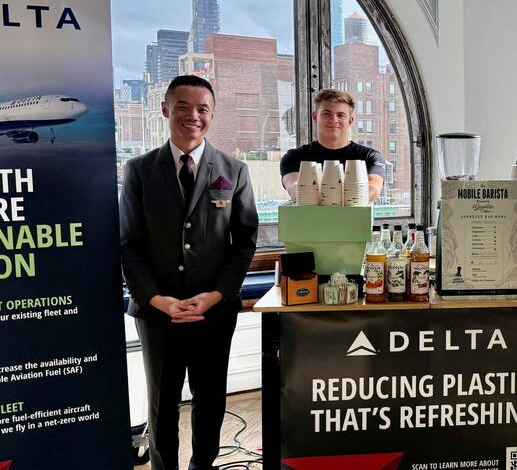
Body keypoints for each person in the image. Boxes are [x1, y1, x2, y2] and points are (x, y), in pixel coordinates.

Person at [120, 75, 259, 470]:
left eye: (203, 109)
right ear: (165, 109)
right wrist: (158, 300)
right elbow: (129, 244)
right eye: (183, 106)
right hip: (157, 312)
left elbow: (245, 241)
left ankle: (203, 466)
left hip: (214, 309)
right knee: (162, 402)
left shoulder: (234, 170)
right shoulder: (139, 171)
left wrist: (216, 295)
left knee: (210, 397)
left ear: (212, 115)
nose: (193, 116)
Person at [280, 89, 386, 201]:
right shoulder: (294, 157)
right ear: (315, 117)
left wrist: (320, 195)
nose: (334, 120)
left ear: (350, 121)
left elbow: (374, 188)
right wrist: (352, 196)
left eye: (341, 115)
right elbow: (295, 190)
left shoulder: (371, 157)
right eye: (327, 114)